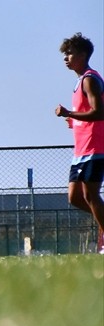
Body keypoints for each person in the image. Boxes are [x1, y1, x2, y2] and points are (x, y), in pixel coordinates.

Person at [54, 32, 104, 253]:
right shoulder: (79, 81)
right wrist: (73, 122)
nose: (66, 57)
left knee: (90, 195)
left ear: (83, 55)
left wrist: (70, 113)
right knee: (75, 197)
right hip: (81, 150)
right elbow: (88, 114)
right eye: (65, 53)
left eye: (70, 53)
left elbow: (99, 112)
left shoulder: (90, 79)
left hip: (96, 147)